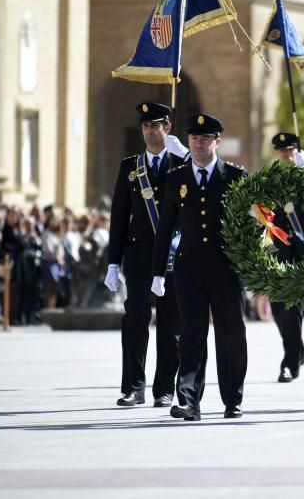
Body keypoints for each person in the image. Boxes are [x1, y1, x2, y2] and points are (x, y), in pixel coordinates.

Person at [151, 112, 248, 421]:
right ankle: (189, 400)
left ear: (217, 142)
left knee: (230, 333)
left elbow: (251, 225)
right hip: (188, 269)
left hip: (225, 269)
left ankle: (232, 398)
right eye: (194, 139)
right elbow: (166, 227)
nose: (198, 144)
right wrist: (157, 271)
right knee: (191, 334)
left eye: (205, 139)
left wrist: (253, 264)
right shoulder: (176, 178)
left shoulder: (235, 177)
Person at [105, 102, 184, 408]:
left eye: (156, 125)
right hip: (138, 255)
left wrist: (187, 157)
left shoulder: (180, 164)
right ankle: (133, 386)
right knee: (135, 317)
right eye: (146, 126)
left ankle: (164, 388)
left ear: (168, 127)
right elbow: (118, 216)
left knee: (169, 322)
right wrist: (113, 261)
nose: (150, 131)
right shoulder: (130, 167)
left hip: (171, 256)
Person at [268, 132, 304, 383]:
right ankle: (299, 351)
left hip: (300, 253)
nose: (286, 154)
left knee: (291, 309)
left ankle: (290, 363)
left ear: (298, 150)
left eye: (291, 150)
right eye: (282, 150)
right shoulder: (271, 179)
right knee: (277, 310)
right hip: (277, 253)